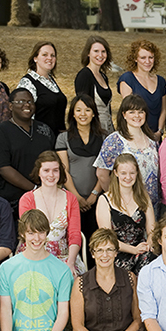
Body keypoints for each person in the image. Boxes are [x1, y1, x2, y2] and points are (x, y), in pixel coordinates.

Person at [0, 87, 54, 217]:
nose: (27, 105)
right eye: (21, 101)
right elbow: (2, 168)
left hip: (44, 199)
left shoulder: (44, 129)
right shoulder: (1, 132)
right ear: (10, 106)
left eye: (30, 102)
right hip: (11, 202)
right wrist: (34, 189)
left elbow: (53, 161)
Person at [18, 150, 85, 276]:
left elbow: (74, 234)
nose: (51, 175)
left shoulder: (71, 199)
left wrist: (70, 263)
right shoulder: (27, 199)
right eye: (46, 170)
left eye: (55, 170)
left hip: (65, 255)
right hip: (33, 253)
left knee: (74, 280)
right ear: (38, 172)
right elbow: (27, 234)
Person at [56, 94, 105, 261]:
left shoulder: (104, 138)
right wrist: (76, 196)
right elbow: (64, 171)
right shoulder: (63, 138)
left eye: (87, 110)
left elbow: (105, 170)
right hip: (71, 199)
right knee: (75, 239)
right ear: (72, 114)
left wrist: (94, 194)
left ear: (94, 113)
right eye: (78, 110)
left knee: (97, 240)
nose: (83, 114)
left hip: (97, 199)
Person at [94, 94, 162, 214]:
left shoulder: (152, 140)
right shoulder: (114, 140)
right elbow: (102, 174)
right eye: (132, 112)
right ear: (124, 115)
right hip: (126, 207)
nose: (137, 116)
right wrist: (116, 198)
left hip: (152, 205)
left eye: (141, 112)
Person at [95, 153, 156, 274]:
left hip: (142, 251)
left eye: (132, 173)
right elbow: (107, 238)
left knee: (150, 260)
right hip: (116, 253)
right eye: (123, 173)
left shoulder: (144, 198)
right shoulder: (105, 200)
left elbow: (152, 230)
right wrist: (133, 250)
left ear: (137, 173)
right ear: (116, 173)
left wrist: (148, 245)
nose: (128, 177)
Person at [18, 41, 67, 138]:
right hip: (39, 140)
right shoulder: (28, 83)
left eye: (53, 55)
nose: (49, 58)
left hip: (57, 140)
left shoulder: (51, 82)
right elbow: (22, 116)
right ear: (35, 58)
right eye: (45, 55)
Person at [117, 39, 166, 132]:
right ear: (135, 59)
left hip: (156, 134)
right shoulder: (127, 79)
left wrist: (159, 131)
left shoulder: (161, 81)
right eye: (143, 58)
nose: (147, 61)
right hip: (135, 133)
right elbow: (129, 112)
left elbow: (163, 110)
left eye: (151, 57)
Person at [74, 35, 114, 133]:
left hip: (108, 128)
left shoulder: (103, 76)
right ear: (88, 53)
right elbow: (83, 107)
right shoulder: (84, 75)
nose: (100, 55)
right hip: (93, 130)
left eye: (103, 51)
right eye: (96, 51)